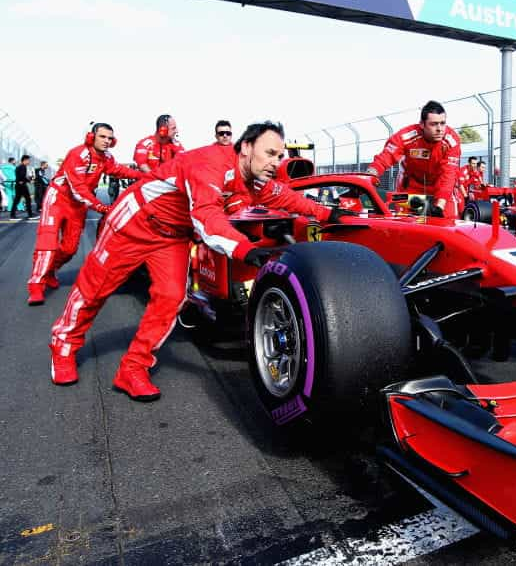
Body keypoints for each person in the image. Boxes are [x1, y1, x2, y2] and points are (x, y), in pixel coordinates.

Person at [48, 121, 348, 400]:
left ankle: (133, 368)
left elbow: (285, 197)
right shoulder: (209, 164)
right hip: (135, 222)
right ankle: (63, 345)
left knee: (171, 297)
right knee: (95, 287)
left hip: (173, 236)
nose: (276, 161)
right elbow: (207, 218)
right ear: (245, 147)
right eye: (270, 152)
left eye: (280, 155)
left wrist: (328, 214)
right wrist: (244, 249)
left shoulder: (251, 177)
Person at [27, 124, 146, 304]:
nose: (106, 141)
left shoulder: (107, 157)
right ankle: (36, 285)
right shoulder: (77, 154)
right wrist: (101, 207)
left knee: (69, 249)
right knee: (48, 244)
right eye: (102, 137)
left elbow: (119, 170)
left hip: (79, 205)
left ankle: (50, 270)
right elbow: (78, 189)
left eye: (109, 138)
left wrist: (144, 176)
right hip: (58, 199)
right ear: (91, 137)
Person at [366, 100, 461, 217]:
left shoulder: (451, 141)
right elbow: (385, 157)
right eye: (433, 124)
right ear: (422, 124)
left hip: (440, 185)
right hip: (411, 184)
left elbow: (449, 174)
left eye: (442, 123)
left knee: (448, 222)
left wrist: (439, 206)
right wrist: (368, 176)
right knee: (407, 224)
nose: (439, 129)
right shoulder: (406, 136)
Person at [11, 155, 35, 219]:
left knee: (17, 200)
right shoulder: (23, 167)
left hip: (20, 185)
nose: (29, 162)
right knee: (27, 199)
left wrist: (25, 180)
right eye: (28, 160)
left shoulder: (20, 166)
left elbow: (20, 176)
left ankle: (12, 215)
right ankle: (30, 215)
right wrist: (29, 181)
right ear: (25, 160)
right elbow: (22, 176)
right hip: (21, 186)